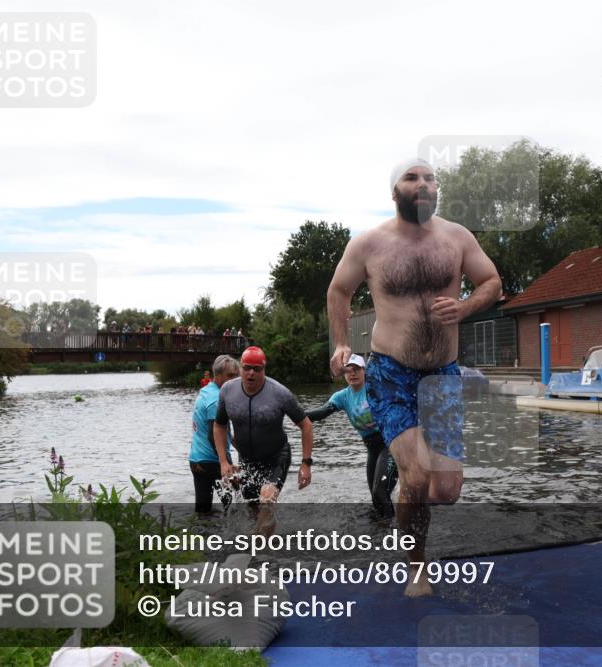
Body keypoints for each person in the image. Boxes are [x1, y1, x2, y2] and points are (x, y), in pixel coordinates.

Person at [327, 157, 502, 596]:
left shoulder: (457, 237)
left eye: (429, 178)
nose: (422, 183)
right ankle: (415, 567)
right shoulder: (369, 244)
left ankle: (406, 502)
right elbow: (338, 290)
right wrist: (340, 343)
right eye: (411, 178)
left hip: (442, 375)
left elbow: (492, 283)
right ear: (394, 192)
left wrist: (464, 307)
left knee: (447, 489)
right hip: (390, 372)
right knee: (418, 476)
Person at [213, 346, 313, 533]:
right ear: (240, 368)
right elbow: (219, 426)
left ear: (264, 370)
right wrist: (223, 461)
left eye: (257, 369)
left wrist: (306, 464)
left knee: (266, 501)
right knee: (253, 510)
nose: (251, 373)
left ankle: (256, 548)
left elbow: (306, 425)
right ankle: (265, 548)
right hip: (247, 460)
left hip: (276, 457)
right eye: (247, 367)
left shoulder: (280, 393)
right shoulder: (228, 391)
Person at [306, 353, 397, 519]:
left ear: (364, 371)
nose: (352, 373)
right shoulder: (343, 397)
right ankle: (380, 534)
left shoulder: (376, 388)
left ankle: (396, 537)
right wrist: (294, 414)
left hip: (391, 445)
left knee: (380, 493)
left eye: (356, 369)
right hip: (372, 450)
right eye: (348, 370)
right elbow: (321, 413)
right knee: (376, 500)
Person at [188, 355, 240, 513]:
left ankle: (202, 535)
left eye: (236, 376)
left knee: (203, 510)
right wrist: (227, 463)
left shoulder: (207, 390)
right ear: (217, 376)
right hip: (212, 462)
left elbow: (223, 432)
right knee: (233, 509)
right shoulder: (215, 399)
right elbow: (214, 435)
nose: (234, 380)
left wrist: (241, 448)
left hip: (197, 460)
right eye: (230, 376)